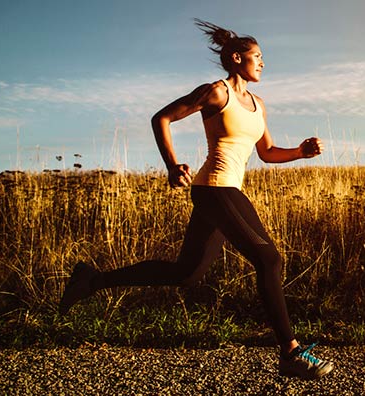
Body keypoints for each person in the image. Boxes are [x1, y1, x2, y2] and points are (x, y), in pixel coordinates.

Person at [58, 19, 333, 380]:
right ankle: (291, 352)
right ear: (237, 58)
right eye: (257, 57)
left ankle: (91, 280)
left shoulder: (258, 104)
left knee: (185, 273)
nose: (263, 63)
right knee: (268, 258)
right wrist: (172, 165)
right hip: (214, 189)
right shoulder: (216, 93)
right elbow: (163, 118)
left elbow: (266, 153)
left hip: (227, 190)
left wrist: (300, 152)